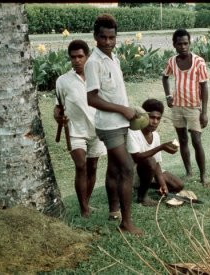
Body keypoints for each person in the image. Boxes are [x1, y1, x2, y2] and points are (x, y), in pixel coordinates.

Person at [85, 14, 142, 235]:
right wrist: (122, 110)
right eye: (103, 37)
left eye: (111, 37)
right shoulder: (93, 63)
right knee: (127, 168)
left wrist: (130, 109)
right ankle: (126, 223)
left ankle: (113, 210)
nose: (107, 42)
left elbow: (114, 93)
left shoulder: (113, 58)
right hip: (108, 126)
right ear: (95, 37)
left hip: (122, 122)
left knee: (114, 168)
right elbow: (92, 99)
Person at [54, 39, 107, 218]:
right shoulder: (63, 81)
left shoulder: (97, 76)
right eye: (73, 57)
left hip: (97, 130)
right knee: (81, 166)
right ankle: (84, 209)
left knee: (92, 167)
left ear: (88, 56)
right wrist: (58, 117)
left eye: (80, 56)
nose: (76, 60)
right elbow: (58, 107)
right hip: (75, 132)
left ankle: (87, 201)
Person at [162, 28, 210, 187]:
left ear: (189, 43)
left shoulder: (199, 62)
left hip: (194, 107)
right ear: (174, 45)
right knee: (182, 140)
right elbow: (165, 77)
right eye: (179, 44)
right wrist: (169, 96)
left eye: (186, 43)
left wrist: (204, 112)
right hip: (177, 108)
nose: (183, 46)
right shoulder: (172, 61)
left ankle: (203, 176)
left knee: (196, 141)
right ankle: (189, 171)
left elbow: (204, 87)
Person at [127, 98, 184, 206]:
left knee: (178, 185)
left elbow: (157, 163)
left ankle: (146, 185)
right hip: (132, 172)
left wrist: (163, 184)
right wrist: (161, 147)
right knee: (150, 161)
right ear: (144, 117)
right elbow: (137, 158)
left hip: (148, 170)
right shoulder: (133, 131)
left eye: (158, 118)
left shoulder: (156, 136)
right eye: (152, 117)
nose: (155, 122)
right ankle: (142, 197)